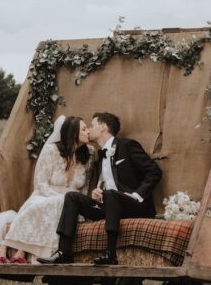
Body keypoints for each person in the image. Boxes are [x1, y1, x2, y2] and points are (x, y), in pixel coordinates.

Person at [38, 111, 162, 267]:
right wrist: (96, 192)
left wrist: (136, 195)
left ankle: (110, 253)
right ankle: (64, 252)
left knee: (111, 194)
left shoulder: (127, 146)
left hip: (133, 205)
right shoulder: (96, 156)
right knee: (72, 197)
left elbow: (154, 171)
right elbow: (105, 182)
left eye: (92, 125)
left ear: (103, 127)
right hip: (108, 206)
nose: (89, 129)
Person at [0, 115, 93, 264]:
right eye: (84, 129)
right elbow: (41, 182)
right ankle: (6, 246)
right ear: (73, 133)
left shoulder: (89, 153)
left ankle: (22, 251)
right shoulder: (51, 150)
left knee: (60, 207)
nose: (88, 132)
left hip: (71, 200)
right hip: (46, 194)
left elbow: (85, 186)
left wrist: (83, 206)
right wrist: (57, 198)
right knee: (40, 207)